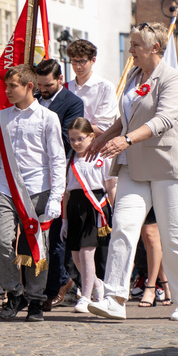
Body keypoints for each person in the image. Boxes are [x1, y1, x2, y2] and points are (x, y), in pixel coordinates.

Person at [87, 22, 178, 321]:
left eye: (135, 45)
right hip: (134, 167)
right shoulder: (134, 77)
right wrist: (104, 136)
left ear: (154, 49)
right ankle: (114, 298)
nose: (130, 50)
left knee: (173, 234)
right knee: (123, 227)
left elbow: (164, 118)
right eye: (131, 44)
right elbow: (126, 118)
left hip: (169, 168)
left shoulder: (173, 78)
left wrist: (125, 140)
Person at [0, 64, 66, 322]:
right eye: (6, 86)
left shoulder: (48, 118)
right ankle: (14, 292)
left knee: (36, 247)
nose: (7, 91)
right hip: (6, 190)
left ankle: (36, 299)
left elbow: (57, 159)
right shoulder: (1, 117)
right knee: (2, 242)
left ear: (29, 86)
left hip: (38, 190)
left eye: (12, 86)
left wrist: (56, 197)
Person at [34, 59, 85, 311]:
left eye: (48, 85)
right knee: (33, 234)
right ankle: (36, 285)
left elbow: (66, 139)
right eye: (40, 85)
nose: (42, 90)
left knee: (55, 236)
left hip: (58, 173)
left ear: (60, 79)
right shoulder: (32, 96)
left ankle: (57, 286)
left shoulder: (73, 103)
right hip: (31, 175)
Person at [61, 118, 116, 312]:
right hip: (75, 207)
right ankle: (97, 284)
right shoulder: (70, 160)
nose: (76, 143)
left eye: (80, 138)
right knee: (76, 256)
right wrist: (64, 221)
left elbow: (110, 187)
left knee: (87, 252)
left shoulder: (101, 157)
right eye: (72, 139)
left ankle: (85, 296)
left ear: (91, 137)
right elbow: (66, 194)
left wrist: (114, 212)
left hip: (95, 206)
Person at [64, 39, 118, 137]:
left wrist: (71, 128)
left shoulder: (105, 87)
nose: (78, 66)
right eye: (74, 61)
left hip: (97, 146)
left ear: (93, 60)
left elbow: (103, 128)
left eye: (82, 61)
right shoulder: (66, 88)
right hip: (71, 145)